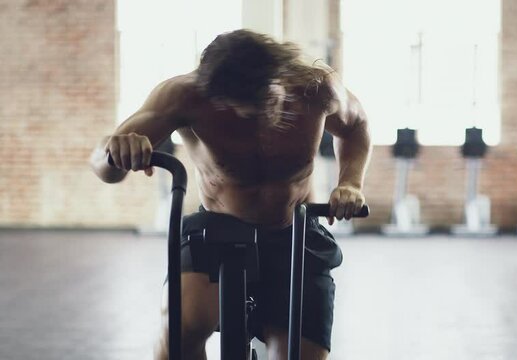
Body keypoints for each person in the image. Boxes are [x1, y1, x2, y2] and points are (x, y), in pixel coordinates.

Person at [89, 29, 371, 360]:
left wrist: (350, 182)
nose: (262, 120)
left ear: (280, 78)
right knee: (181, 333)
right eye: (243, 111)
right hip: (217, 231)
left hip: (295, 233)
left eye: (269, 103)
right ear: (218, 98)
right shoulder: (184, 96)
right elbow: (103, 167)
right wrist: (115, 151)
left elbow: (356, 126)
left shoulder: (317, 89)